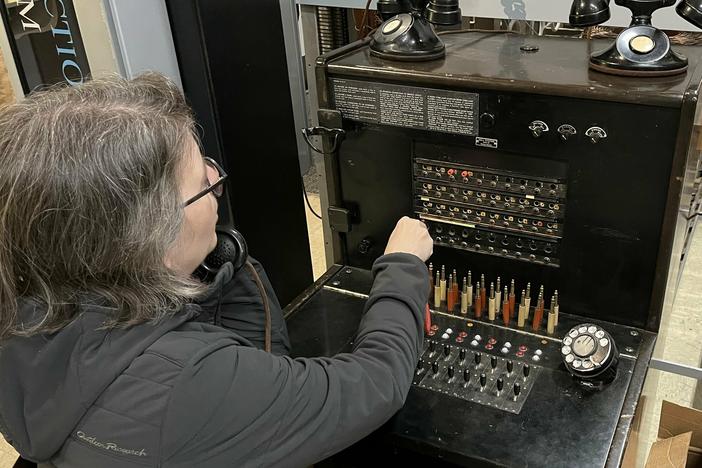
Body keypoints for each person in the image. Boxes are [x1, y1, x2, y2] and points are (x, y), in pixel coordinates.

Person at [0, 74, 433, 467]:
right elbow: (376, 384)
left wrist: (213, 264)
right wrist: (403, 266)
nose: (217, 180)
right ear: (150, 237)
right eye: (201, 182)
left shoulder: (24, 304)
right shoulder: (192, 387)